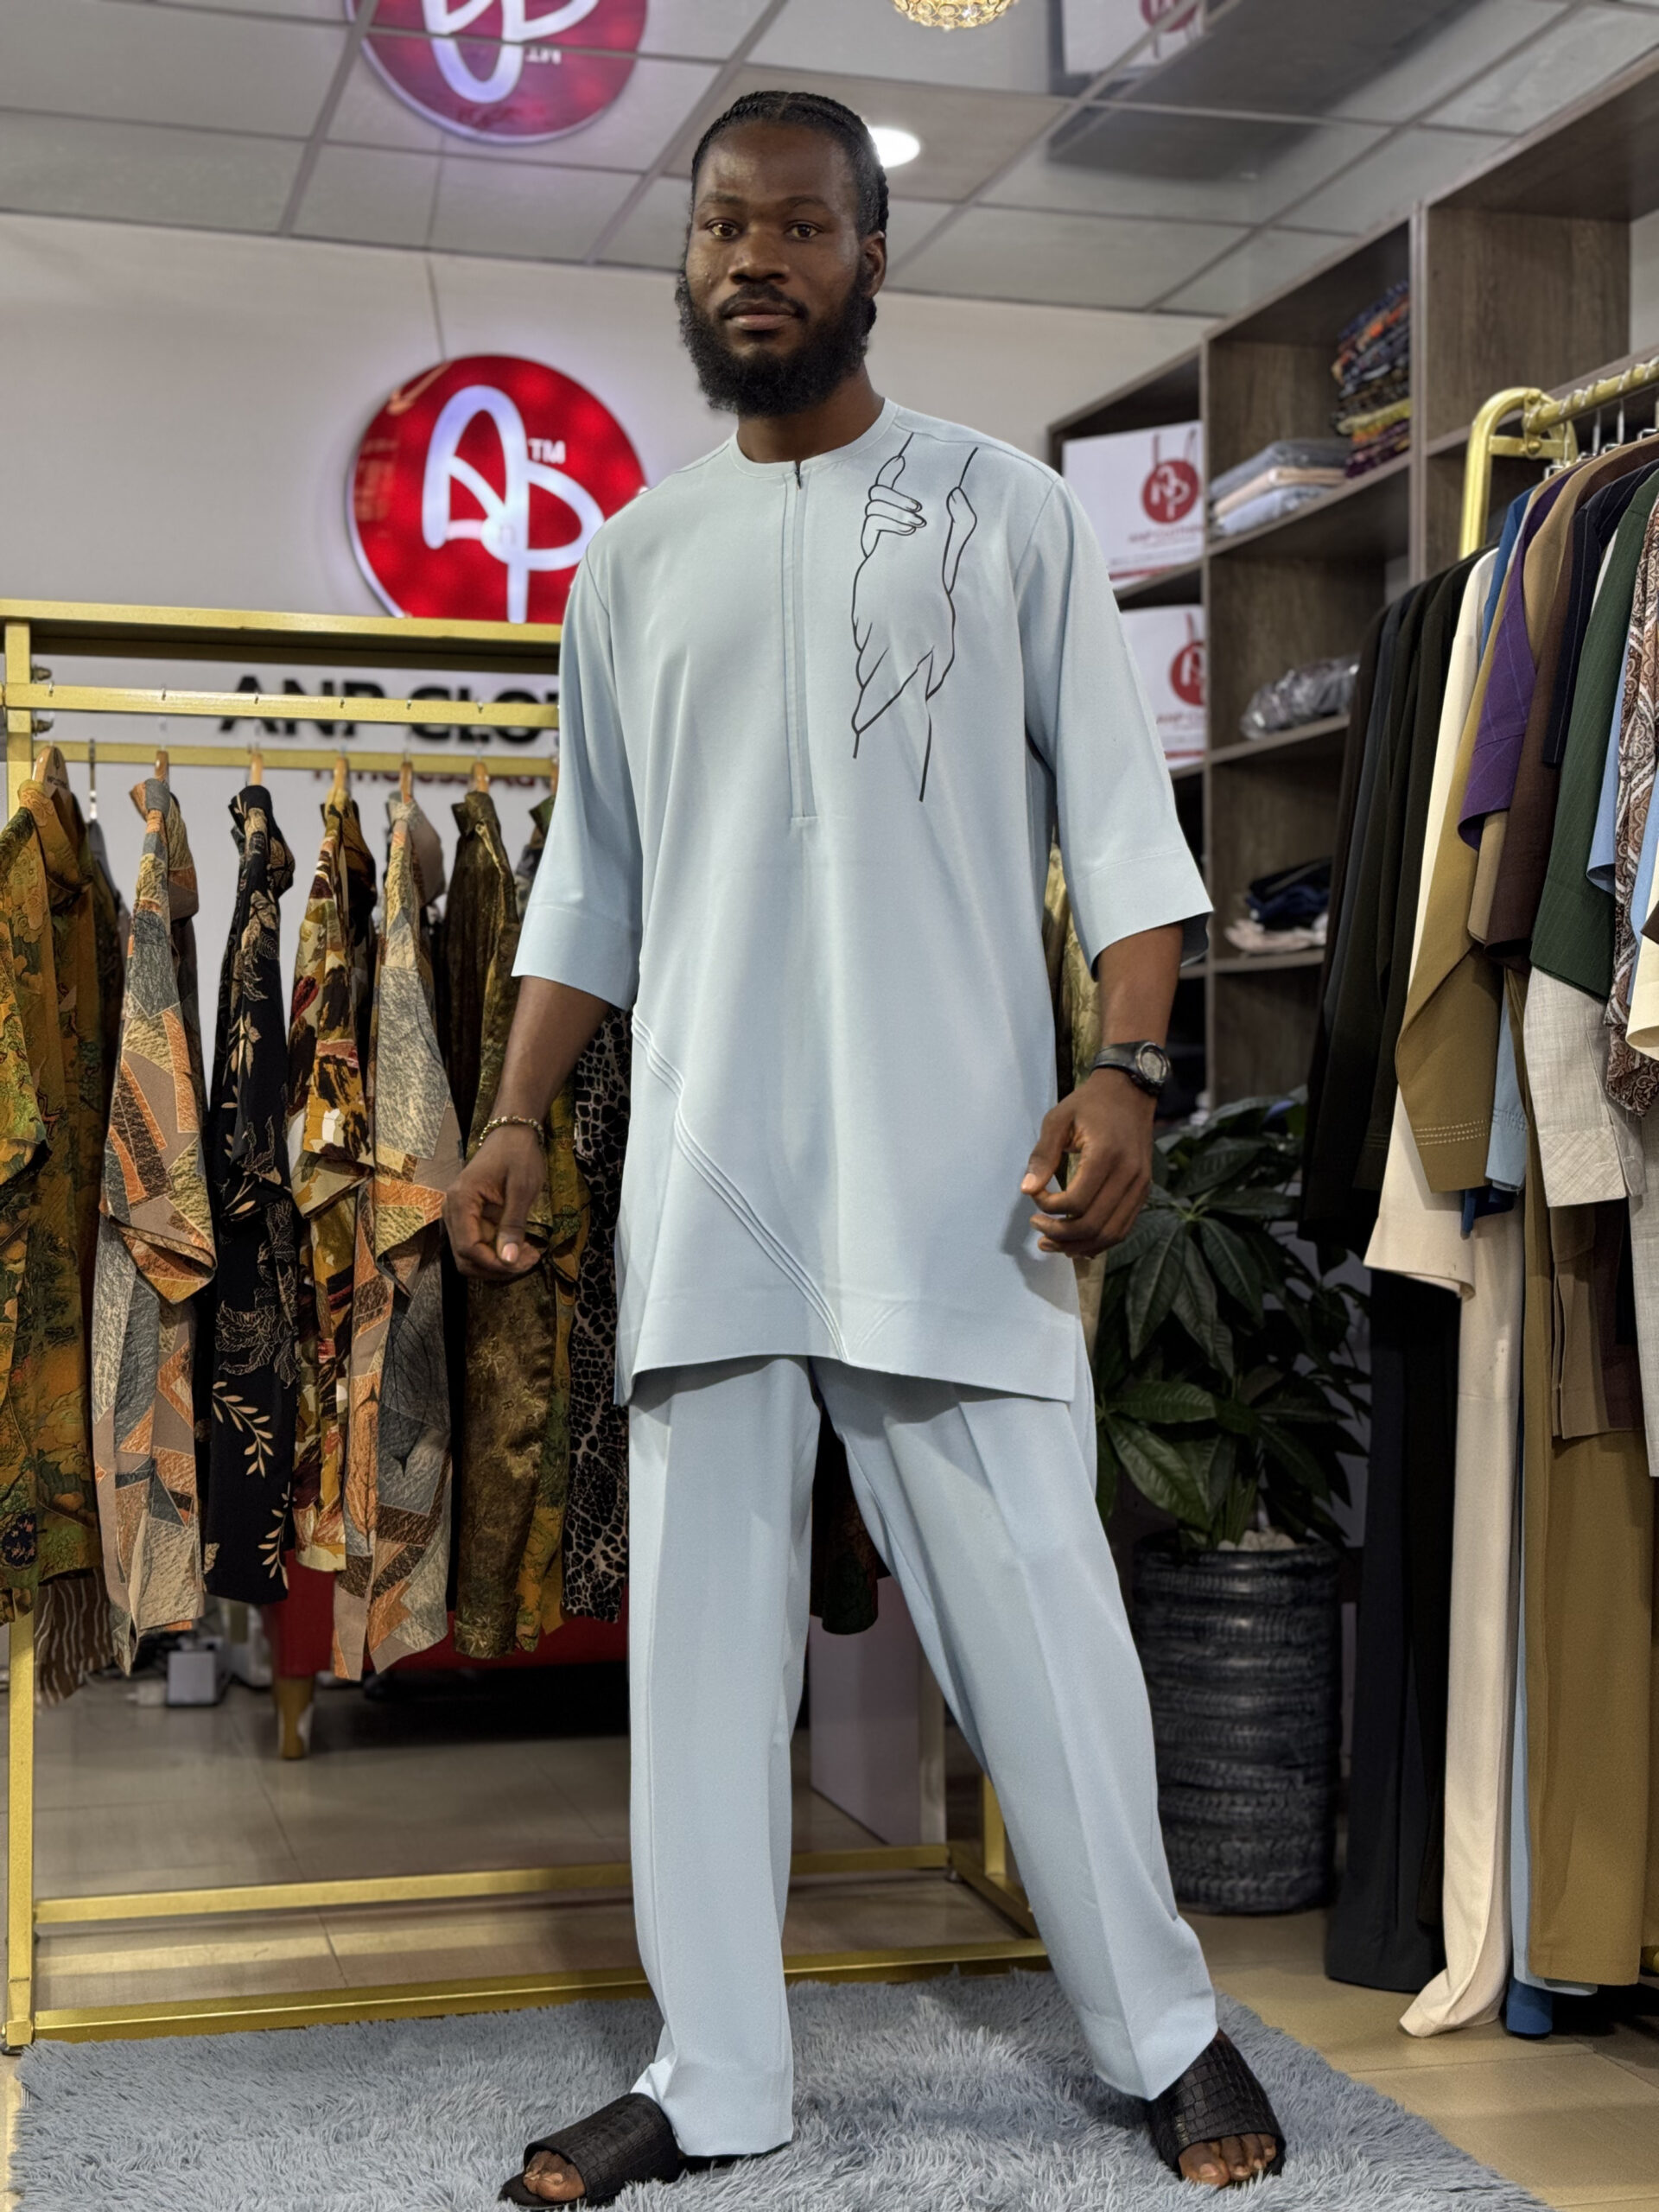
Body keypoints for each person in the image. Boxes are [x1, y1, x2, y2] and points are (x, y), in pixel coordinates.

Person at [445, 90, 1285, 2203]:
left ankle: (1165, 2024)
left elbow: (1129, 836)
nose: (757, 257)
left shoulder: (1009, 512)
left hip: (956, 1177)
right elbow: (590, 878)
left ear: (870, 259)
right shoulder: (630, 561)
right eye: (725, 225)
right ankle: (714, 2071)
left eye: (802, 225)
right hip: (712, 1172)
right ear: (691, 256)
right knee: (699, 1660)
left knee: (1045, 1627)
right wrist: (518, 1111)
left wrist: (1127, 1070)